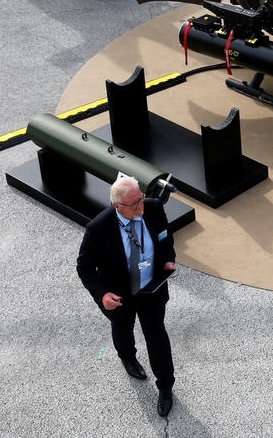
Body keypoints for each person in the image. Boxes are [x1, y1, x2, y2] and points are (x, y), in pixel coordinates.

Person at [77, 176, 177, 417]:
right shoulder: (98, 229)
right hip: (119, 295)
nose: (140, 206)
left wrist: (168, 258)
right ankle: (127, 358)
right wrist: (102, 295)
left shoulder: (153, 207)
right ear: (117, 206)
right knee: (122, 327)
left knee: (157, 337)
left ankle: (165, 386)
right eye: (134, 204)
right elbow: (84, 267)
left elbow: (165, 237)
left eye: (140, 199)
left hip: (151, 289)